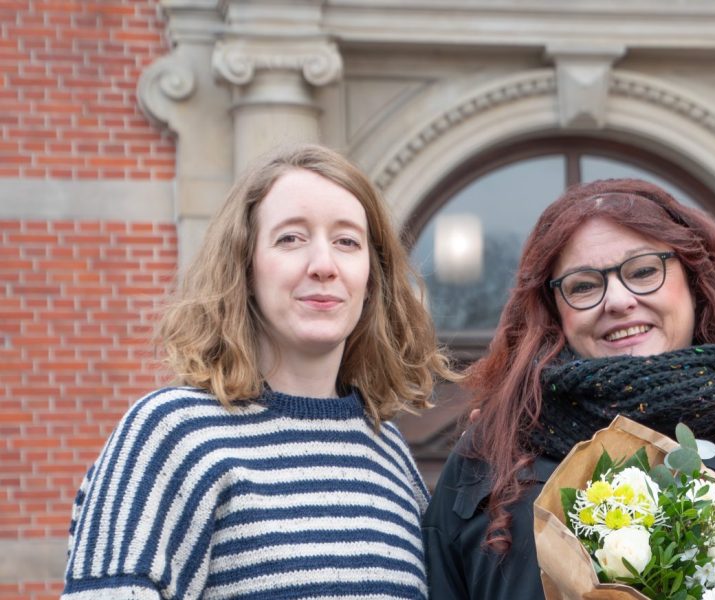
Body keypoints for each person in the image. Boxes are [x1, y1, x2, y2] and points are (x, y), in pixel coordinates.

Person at [423, 178, 715, 599]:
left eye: (644, 270)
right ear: (554, 311)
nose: (616, 300)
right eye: (583, 285)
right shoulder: (492, 451)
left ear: (693, 281)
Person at [61, 144, 459, 599]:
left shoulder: (388, 454)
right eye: (291, 238)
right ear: (245, 269)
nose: (324, 266)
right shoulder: (172, 433)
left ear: (372, 279)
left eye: (347, 241)